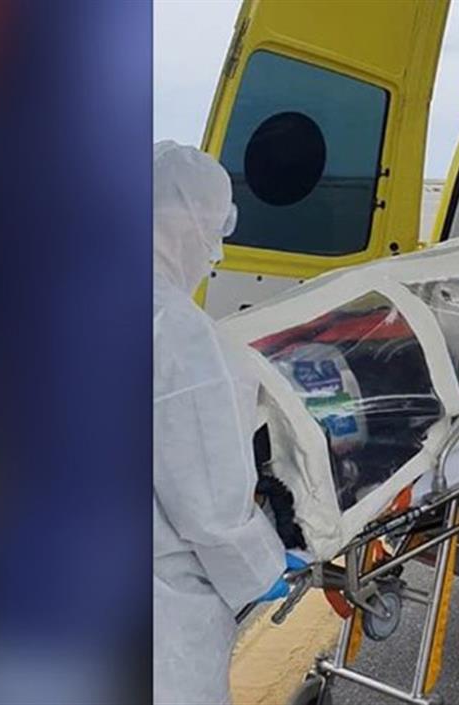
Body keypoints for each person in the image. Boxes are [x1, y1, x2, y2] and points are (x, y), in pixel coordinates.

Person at [153, 141, 297, 704]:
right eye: (211, 233)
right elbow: (210, 506)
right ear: (180, 226)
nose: (213, 253)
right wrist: (261, 565)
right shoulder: (176, 336)